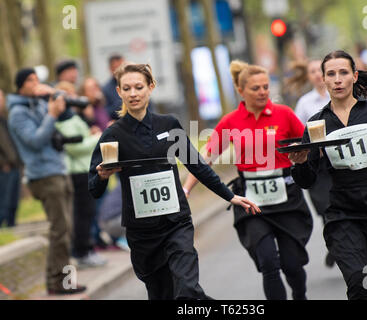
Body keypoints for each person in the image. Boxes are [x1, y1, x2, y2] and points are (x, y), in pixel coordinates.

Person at [88, 62, 260, 300]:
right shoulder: (113, 135)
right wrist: (101, 176)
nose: (133, 93)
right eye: (126, 88)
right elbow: (94, 187)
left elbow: (196, 165)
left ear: (151, 87)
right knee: (161, 295)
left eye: (139, 87)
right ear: (118, 92)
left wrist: (229, 196)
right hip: (141, 231)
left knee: (186, 290)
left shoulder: (168, 124)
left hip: (175, 222)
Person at [289, 50, 367, 300]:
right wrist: (301, 162)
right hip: (343, 211)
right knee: (359, 284)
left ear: (354, 77)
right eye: (331, 74)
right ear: (323, 80)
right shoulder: (317, 124)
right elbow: (307, 180)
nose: (337, 79)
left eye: (343, 73)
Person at [183, 60, 313, 300]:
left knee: (292, 264)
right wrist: (186, 189)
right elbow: (205, 160)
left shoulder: (284, 114)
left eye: (265, 86)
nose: (263, 91)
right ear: (241, 91)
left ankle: (300, 296)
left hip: (287, 197)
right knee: (269, 264)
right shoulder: (231, 122)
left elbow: (309, 145)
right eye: (256, 88)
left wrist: (300, 150)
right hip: (251, 202)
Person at [7, 68, 86, 295]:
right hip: (43, 176)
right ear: (21, 86)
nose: (35, 83)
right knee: (59, 231)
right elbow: (35, 140)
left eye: (36, 79)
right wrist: (51, 114)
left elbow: (68, 116)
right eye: (30, 80)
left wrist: (54, 95)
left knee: (66, 229)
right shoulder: (17, 113)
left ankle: (66, 281)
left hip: (59, 170)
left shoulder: (39, 103)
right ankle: (58, 283)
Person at [55, 81, 108, 269]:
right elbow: (75, 148)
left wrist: (90, 133)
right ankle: (82, 252)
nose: (71, 98)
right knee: (83, 214)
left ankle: (88, 249)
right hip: (77, 171)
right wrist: (95, 138)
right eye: (66, 95)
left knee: (89, 213)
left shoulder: (73, 116)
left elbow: (82, 137)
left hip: (86, 168)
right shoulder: (62, 119)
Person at [292, 59, 335, 267]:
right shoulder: (304, 103)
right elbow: (298, 132)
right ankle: (334, 241)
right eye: (313, 72)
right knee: (324, 207)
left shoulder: (338, 95)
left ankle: (340, 240)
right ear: (308, 76)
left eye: (320, 70)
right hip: (316, 164)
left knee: (339, 202)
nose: (317, 75)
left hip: (337, 160)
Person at [0, 89, 22, 227]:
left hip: (14, 165)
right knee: (4, 202)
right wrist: (3, 163)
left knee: (13, 202)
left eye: (2, 97)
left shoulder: (4, 118)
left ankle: (10, 227)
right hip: (4, 168)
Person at [102, 54, 125, 120]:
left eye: (123, 67)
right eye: (117, 67)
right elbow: (105, 112)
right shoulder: (106, 89)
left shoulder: (134, 82)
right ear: (110, 69)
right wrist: (120, 104)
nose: (121, 70)